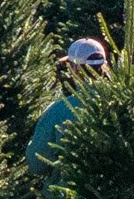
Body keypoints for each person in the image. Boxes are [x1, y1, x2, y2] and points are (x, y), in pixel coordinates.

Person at [26, 36, 110, 174]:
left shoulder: (59, 110)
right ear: (105, 65)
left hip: (66, 186)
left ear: (75, 68)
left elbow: (36, 163)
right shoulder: (122, 101)